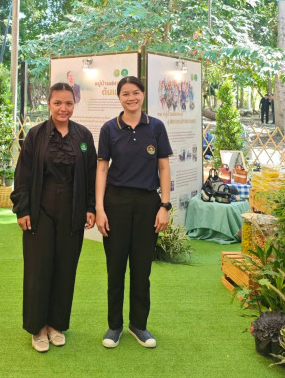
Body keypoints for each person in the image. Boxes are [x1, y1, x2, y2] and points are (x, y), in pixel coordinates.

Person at [11, 83, 96, 353]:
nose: (63, 108)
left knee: (65, 268)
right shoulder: (36, 135)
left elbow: (92, 175)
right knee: (38, 269)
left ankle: (56, 325)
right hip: (40, 211)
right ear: (48, 104)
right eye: (58, 103)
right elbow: (23, 174)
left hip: (72, 212)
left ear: (74, 105)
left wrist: (90, 207)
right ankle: (37, 328)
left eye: (68, 103)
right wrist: (23, 209)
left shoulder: (83, 136)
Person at [95, 76, 173, 349]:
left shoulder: (156, 127)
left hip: (148, 204)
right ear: (119, 97)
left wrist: (164, 206)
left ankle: (138, 325)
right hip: (115, 203)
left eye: (136, 92)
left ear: (143, 95)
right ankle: (114, 326)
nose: (131, 98)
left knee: (142, 270)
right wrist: (100, 208)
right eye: (126, 93)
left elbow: (163, 167)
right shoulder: (109, 129)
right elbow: (102, 169)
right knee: (115, 269)